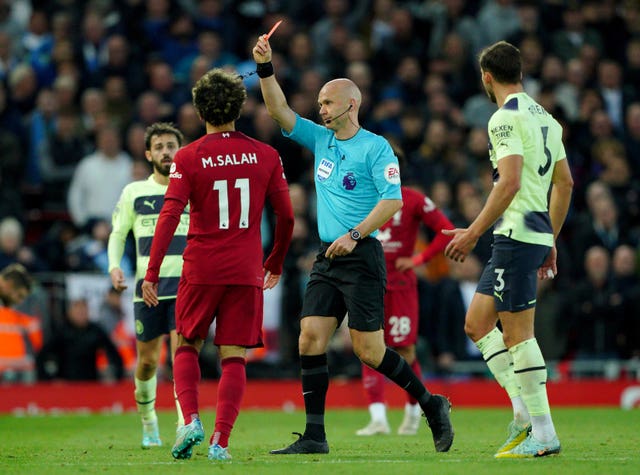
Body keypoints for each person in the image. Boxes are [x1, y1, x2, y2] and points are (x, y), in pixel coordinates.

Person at [252, 34, 453, 455]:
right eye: (320, 103)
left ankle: (431, 404)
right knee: (310, 338)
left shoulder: (376, 148)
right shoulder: (320, 139)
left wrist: (355, 234)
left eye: (327, 102)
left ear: (350, 104)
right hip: (329, 256)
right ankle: (314, 436)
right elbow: (278, 109)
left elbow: (394, 200)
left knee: (369, 351)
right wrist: (266, 67)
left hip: (361, 256)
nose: (319, 108)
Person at [141, 68, 294, 462]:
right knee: (234, 356)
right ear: (240, 107)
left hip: (201, 268)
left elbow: (169, 216)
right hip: (245, 271)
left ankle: (190, 419)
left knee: (186, 343)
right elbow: (287, 216)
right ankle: (220, 443)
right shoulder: (266, 154)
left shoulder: (188, 157)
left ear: (199, 109)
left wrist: (153, 273)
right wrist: (274, 261)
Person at [443, 41, 574, 458]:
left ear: (486, 77)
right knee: (478, 324)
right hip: (530, 233)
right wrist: (550, 237)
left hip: (515, 234)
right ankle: (521, 413)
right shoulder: (547, 119)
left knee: (518, 335)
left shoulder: (503, 118)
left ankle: (544, 432)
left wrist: (473, 233)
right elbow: (565, 183)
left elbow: (510, 181)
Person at [356, 146, 455, 436]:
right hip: (369, 282)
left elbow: (445, 229)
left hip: (399, 286)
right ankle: (378, 418)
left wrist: (418, 260)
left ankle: (413, 413)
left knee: (405, 349)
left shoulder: (412, 199)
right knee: (367, 346)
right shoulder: (364, 198)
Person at [107, 122, 187, 449]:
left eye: (171, 145)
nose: (166, 151)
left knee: (182, 358)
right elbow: (117, 233)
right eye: (160, 147)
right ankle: (149, 421)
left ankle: (186, 425)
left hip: (185, 287)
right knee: (149, 362)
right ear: (148, 154)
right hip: (149, 291)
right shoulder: (134, 192)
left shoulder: (192, 189)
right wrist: (114, 266)